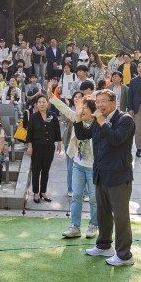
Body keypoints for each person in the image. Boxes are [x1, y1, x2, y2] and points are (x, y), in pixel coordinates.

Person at [73, 89, 136, 266]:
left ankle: (125, 255)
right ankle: (104, 246)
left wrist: (101, 122)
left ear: (114, 102)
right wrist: (78, 118)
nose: (99, 105)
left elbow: (116, 139)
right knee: (103, 214)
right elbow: (82, 135)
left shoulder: (125, 120)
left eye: (103, 101)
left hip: (118, 175)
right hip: (100, 174)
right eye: (97, 101)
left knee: (121, 217)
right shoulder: (98, 120)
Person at [49, 85, 98, 239]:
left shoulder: (99, 124)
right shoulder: (77, 118)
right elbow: (63, 108)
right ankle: (75, 226)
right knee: (76, 195)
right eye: (80, 108)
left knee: (94, 198)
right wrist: (51, 96)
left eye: (84, 109)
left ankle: (93, 225)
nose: (81, 111)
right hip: (78, 164)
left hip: (93, 167)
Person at [27, 94, 62, 203]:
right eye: (39, 102)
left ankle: (43, 191)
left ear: (48, 103)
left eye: (44, 102)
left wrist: (59, 143)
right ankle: (36, 193)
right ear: (36, 105)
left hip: (49, 147)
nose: (42, 104)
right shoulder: (33, 117)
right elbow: (30, 133)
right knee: (36, 170)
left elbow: (57, 130)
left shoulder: (53, 115)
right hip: (37, 147)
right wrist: (30, 147)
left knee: (46, 170)